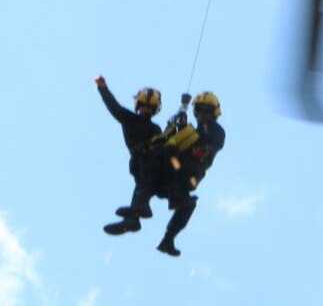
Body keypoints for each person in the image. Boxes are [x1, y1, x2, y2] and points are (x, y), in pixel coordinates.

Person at [156, 91, 226, 257]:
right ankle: (168, 237)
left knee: (187, 201)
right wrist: (178, 126)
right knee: (171, 157)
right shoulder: (194, 130)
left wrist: (203, 149)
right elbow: (175, 141)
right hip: (177, 169)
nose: (202, 114)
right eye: (200, 110)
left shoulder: (214, 130)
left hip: (190, 172)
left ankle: (169, 233)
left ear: (213, 112)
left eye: (206, 111)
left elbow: (213, 145)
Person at [95, 76, 163, 236]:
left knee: (142, 188)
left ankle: (137, 213)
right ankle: (132, 221)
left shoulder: (156, 128)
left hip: (154, 163)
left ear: (154, 110)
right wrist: (103, 88)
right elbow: (114, 107)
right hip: (139, 162)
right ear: (138, 106)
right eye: (144, 106)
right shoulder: (129, 119)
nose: (146, 109)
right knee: (140, 189)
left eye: (150, 107)